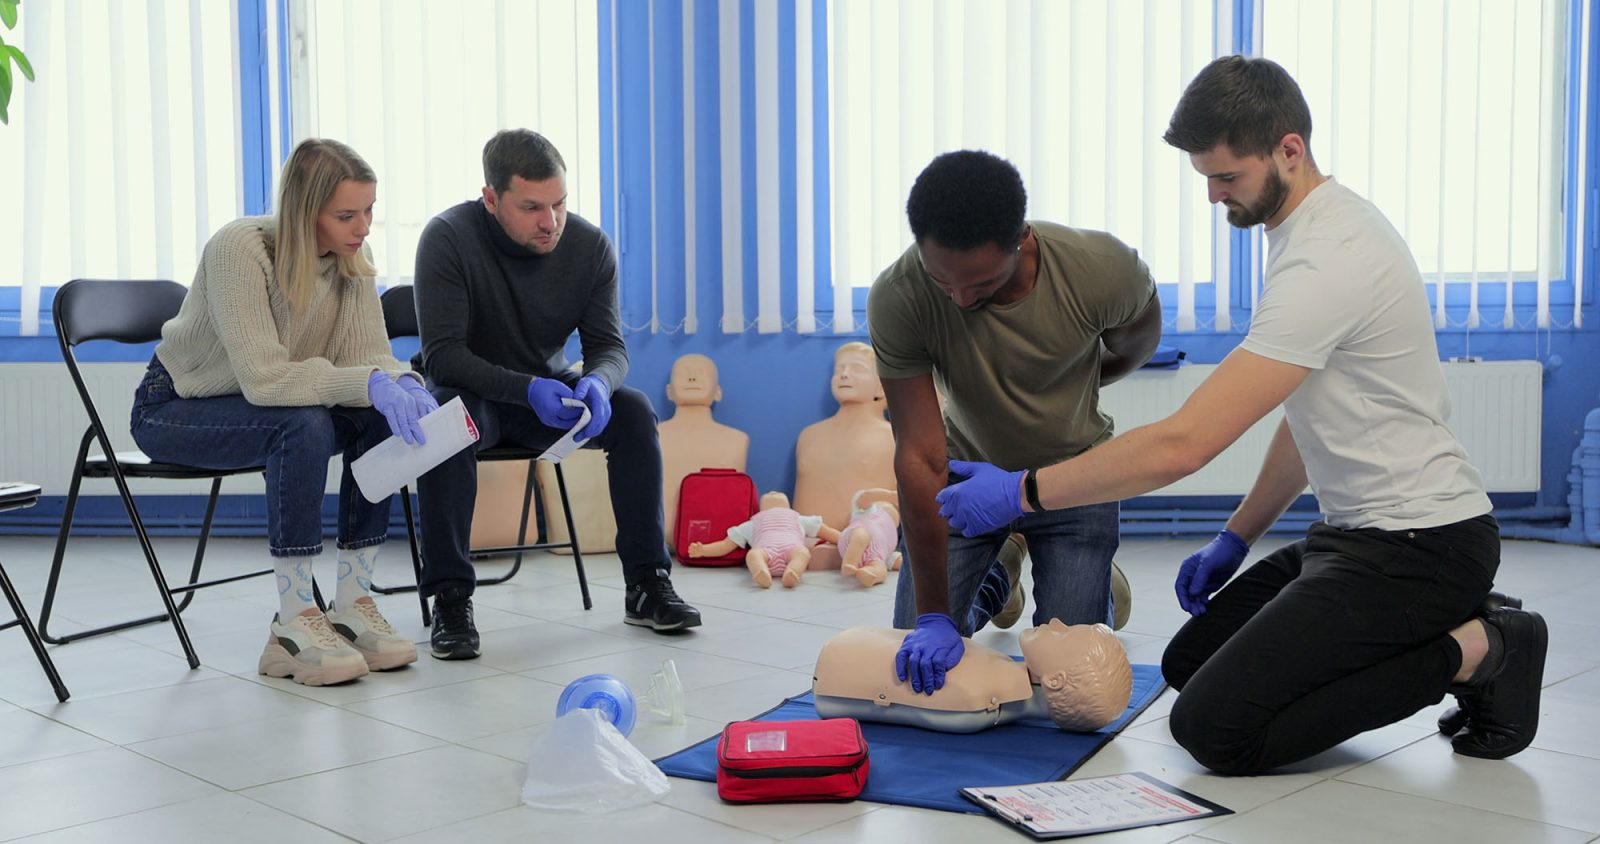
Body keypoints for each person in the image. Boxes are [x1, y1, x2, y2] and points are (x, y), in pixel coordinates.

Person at [934, 56, 1546, 773]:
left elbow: (1184, 444)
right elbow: (1308, 412)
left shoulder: (1329, 256)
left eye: (1227, 177)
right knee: (1190, 661)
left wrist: (1019, 491)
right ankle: (1434, 632)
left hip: (1422, 548)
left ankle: (1481, 647)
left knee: (1217, 730)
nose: (1214, 196)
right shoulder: (1304, 231)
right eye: (1206, 179)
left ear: (1289, 148)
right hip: (1351, 539)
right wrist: (1237, 534)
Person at [131, 138, 427, 686]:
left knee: (379, 414)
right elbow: (266, 380)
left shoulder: (351, 260)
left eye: (368, 212)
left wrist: (403, 381)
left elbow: (368, 357)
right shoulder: (239, 249)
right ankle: (293, 620)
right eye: (346, 215)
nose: (362, 227)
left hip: (270, 405)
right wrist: (369, 381)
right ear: (303, 210)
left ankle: (351, 603)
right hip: (175, 406)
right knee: (305, 420)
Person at [868, 150, 1162, 693]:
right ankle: (1000, 573)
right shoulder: (899, 295)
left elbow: (1140, 337)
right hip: (968, 477)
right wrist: (933, 616)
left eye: (979, 283)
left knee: (1071, 677)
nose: (960, 298)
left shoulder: (1099, 268)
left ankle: (1098, 583)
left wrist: (1082, 383)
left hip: (1074, 479)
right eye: (943, 281)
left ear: (1021, 239)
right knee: (920, 658)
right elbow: (918, 453)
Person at [412, 129, 702, 659]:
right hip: (476, 392)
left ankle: (647, 583)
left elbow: (610, 348)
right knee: (446, 420)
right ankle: (451, 599)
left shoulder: (589, 247)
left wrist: (598, 383)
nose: (550, 222)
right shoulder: (448, 238)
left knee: (634, 411)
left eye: (559, 203)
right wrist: (525, 387)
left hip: (548, 395)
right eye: (531, 207)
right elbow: (444, 356)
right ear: (492, 199)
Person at [813, 620, 1133, 733]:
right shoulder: (997, 685)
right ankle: (998, 580)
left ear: (1054, 681)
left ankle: (996, 581)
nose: (1056, 621)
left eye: (1063, 635)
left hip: (837, 665)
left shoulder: (978, 698)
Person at [658, 353, 750, 547]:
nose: (692, 378)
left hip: (719, 542)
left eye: (701, 373)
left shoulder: (737, 439)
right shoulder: (652, 435)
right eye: (684, 373)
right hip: (659, 540)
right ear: (669, 391)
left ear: (718, 392)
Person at [687, 491, 842, 588]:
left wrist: (703, 550)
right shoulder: (797, 518)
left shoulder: (754, 522)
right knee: (799, 553)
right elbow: (827, 532)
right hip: (783, 551)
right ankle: (776, 572)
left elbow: (726, 544)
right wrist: (844, 539)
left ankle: (782, 571)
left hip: (771, 552)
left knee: (757, 555)